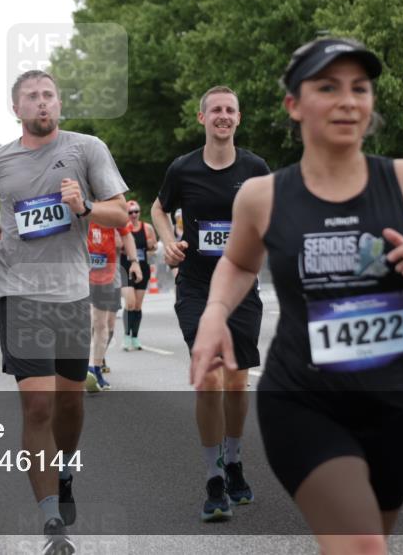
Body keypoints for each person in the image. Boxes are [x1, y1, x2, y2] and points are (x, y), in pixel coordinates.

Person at [190, 38, 403, 551]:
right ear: (294, 105)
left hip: (394, 402)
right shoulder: (263, 195)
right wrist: (215, 312)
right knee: (363, 543)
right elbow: (238, 263)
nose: (348, 100)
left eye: (360, 88)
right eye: (328, 87)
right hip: (302, 400)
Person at [0, 69, 128, 554]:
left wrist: (84, 207)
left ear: (59, 103)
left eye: (49, 95)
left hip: (71, 293)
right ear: (15, 109)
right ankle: (52, 520)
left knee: (69, 404)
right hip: (18, 293)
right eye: (32, 97)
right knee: (38, 404)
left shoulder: (87, 149)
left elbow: (121, 213)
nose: (42, 103)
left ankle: (65, 469)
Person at [151, 85, 271, 520]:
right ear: (202, 118)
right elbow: (159, 209)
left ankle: (234, 461)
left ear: (238, 118)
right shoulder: (183, 168)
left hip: (240, 286)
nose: (223, 115)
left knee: (236, 383)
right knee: (209, 378)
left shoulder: (255, 167)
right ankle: (214, 477)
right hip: (197, 287)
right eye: (216, 109)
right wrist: (168, 242)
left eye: (230, 110)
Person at [85, 221, 139, 392]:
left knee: (103, 324)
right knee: (88, 321)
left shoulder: (113, 210)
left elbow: (125, 236)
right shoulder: (78, 209)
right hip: (80, 272)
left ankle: (96, 368)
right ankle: (85, 366)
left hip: (107, 275)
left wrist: (134, 261)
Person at [119, 200, 156, 350]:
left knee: (138, 305)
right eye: (130, 212)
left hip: (142, 268)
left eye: (136, 211)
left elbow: (154, 246)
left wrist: (151, 246)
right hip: (126, 267)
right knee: (130, 303)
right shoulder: (122, 227)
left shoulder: (147, 228)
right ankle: (126, 336)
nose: (134, 215)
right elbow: (116, 246)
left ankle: (135, 337)